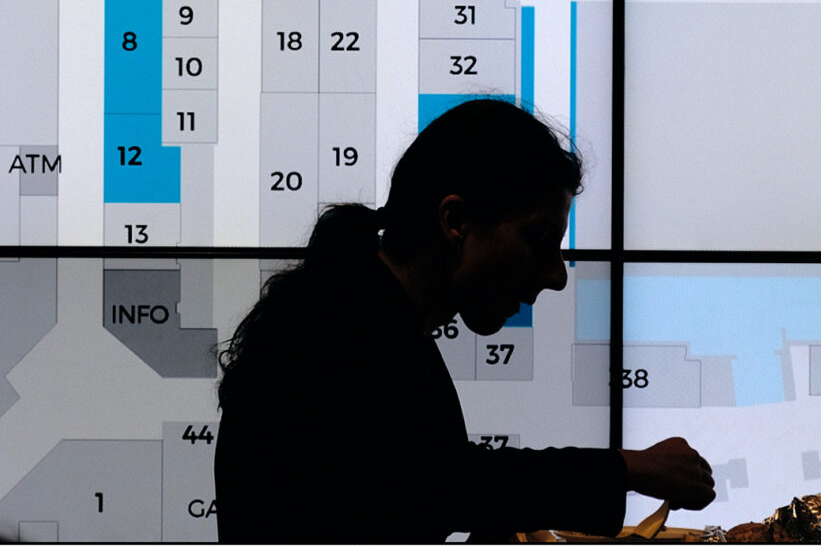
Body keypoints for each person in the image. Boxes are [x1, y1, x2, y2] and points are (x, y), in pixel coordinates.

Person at [214, 98, 716, 543]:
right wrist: (626, 468)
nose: (556, 276)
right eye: (540, 240)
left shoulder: (345, 309)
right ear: (455, 222)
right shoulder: (340, 333)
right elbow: (437, 483)